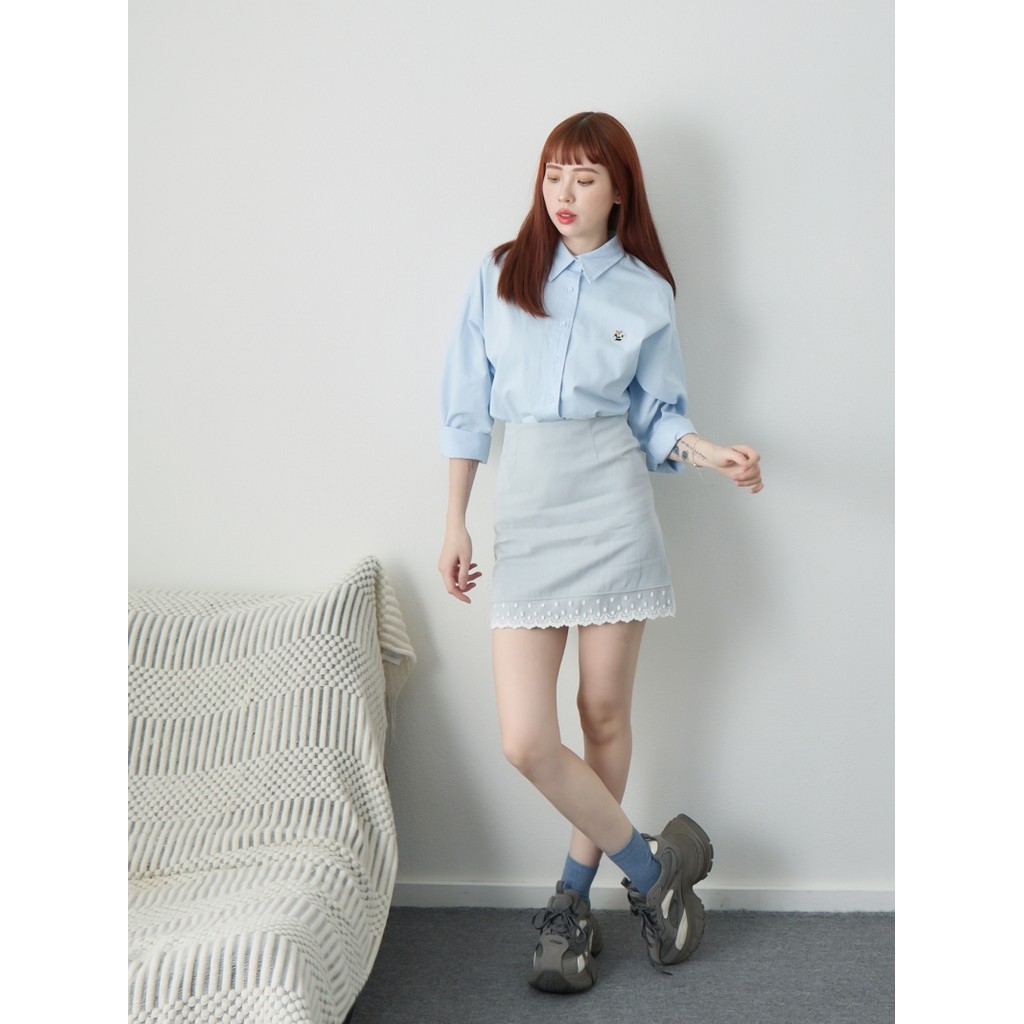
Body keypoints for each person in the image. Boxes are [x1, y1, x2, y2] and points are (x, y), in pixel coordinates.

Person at [437, 111, 763, 995]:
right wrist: (455, 519)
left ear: (620, 190)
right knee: (525, 739)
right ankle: (655, 872)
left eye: (585, 177)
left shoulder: (647, 292)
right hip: (529, 522)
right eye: (554, 174)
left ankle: (572, 900)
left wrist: (712, 453)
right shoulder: (500, 273)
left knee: (602, 715)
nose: (565, 193)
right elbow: (466, 405)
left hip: (614, 517)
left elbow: (657, 417)